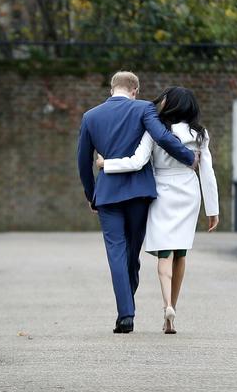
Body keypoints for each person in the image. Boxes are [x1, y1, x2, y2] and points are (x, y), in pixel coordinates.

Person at [77, 72, 199, 334]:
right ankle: (127, 306)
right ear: (135, 90)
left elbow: (83, 161)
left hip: (108, 194)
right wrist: (188, 157)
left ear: (112, 89)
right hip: (139, 194)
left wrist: (91, 195)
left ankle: (126, 313)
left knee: (116, 253)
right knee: (132, 253)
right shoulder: (143, 108)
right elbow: (163, 138)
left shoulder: (90, 116)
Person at [97, 86, 219, 334]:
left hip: (162, 190)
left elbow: (137, 161)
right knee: (181, 252)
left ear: (169, 104)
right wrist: (212, 209)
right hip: (189, 191)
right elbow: (208, 174)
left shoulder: (156, 130)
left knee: (165, 253)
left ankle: (166, 305)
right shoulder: (200, 134)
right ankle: (172, 306)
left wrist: (105, 163)